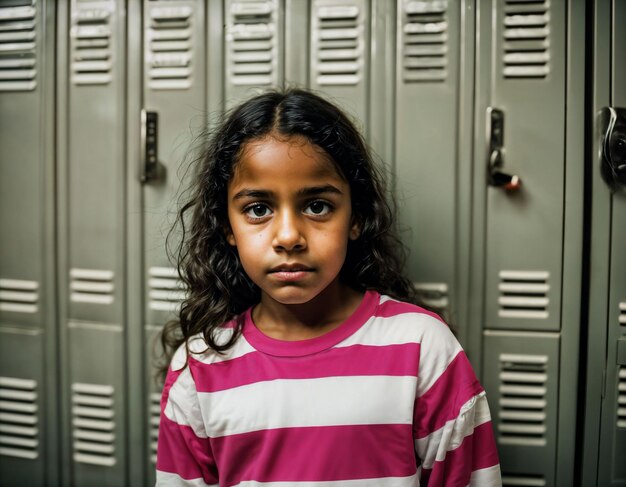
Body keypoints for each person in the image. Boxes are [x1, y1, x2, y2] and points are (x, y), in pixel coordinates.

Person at [155, 89, 501, 486]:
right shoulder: (199, 369)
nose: (288, 236)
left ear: (356, 217)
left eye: (317, 206)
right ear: (226, 227)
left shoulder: (423, 349)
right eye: (258, 209)